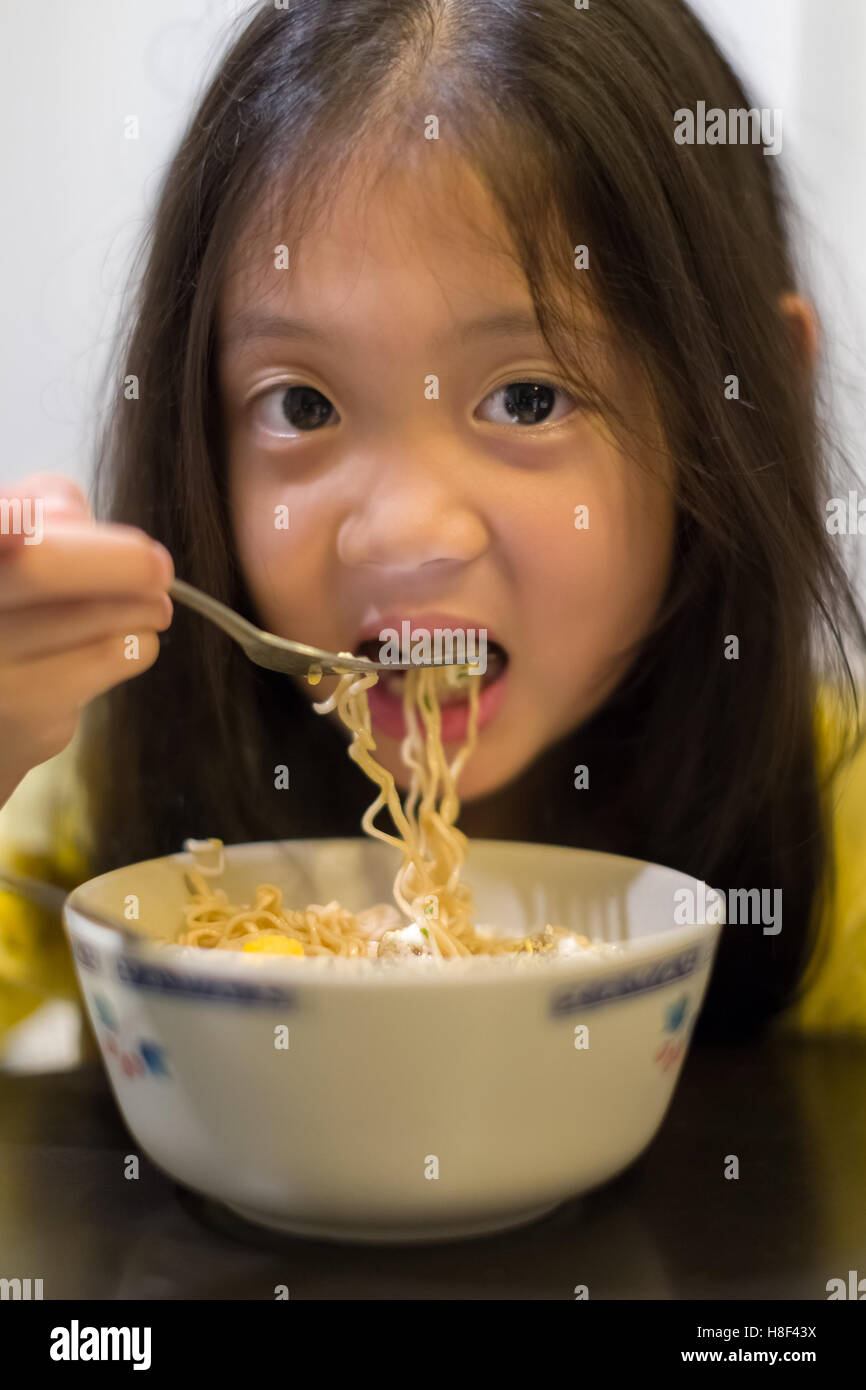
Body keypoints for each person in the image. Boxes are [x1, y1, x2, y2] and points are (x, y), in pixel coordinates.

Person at [1, 0, 864, 1052]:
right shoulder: (84, 792)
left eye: (529, 399)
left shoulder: (843, 817)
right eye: (301, 406)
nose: (403, 532)